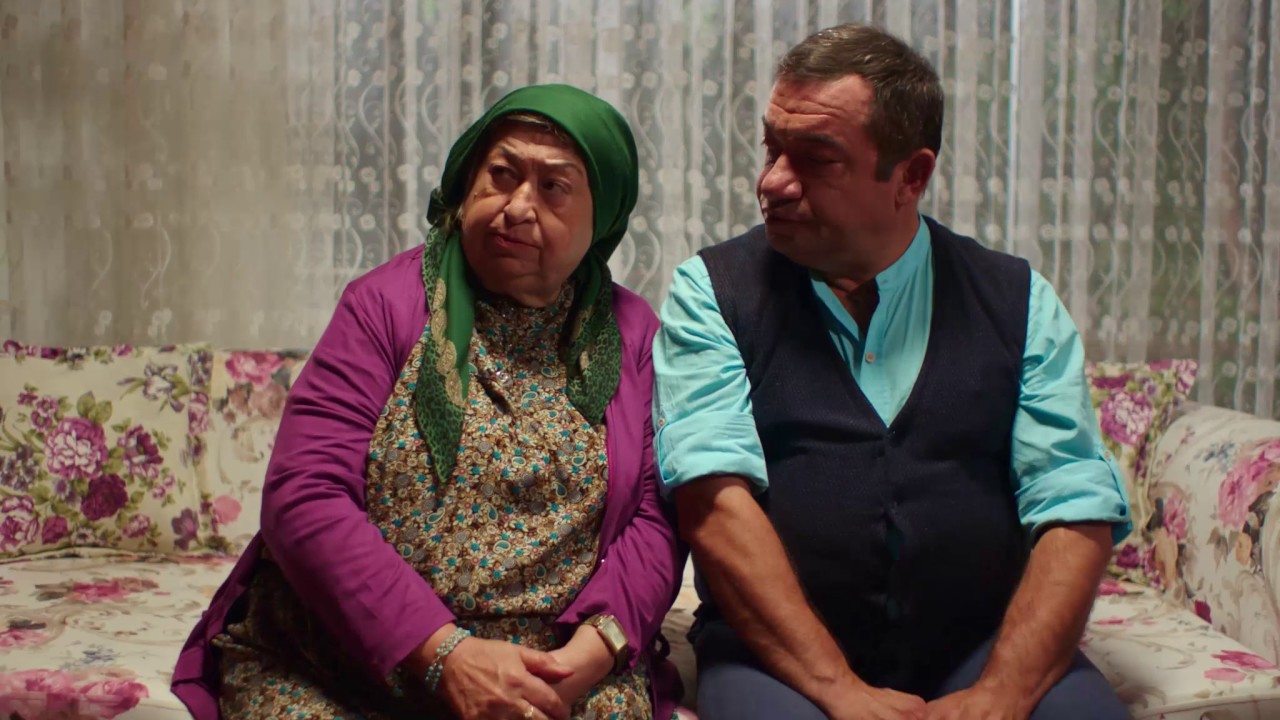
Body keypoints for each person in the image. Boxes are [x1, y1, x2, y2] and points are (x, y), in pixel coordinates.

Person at [654, 23, 1132, 720]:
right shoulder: (712, 292)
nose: (772, 182)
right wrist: (837, 689)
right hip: (777, 657)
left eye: (816, 159)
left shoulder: (1018, 300)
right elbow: (712, 502)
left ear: (911, 176)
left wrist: (1004, 691)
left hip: (979, 643)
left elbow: (1073, 509)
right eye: (772, 148)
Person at [173, 84, 685, 720]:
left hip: (552, 667)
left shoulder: (633, 338)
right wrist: (444, 654)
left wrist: (594, 650)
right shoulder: (383, 306)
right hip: (347, 656)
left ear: (601, 217)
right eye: (502, 174)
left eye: (554, 187)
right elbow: (305, 494)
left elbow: (656, 520)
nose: (518, 206)